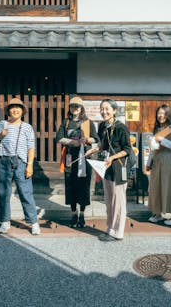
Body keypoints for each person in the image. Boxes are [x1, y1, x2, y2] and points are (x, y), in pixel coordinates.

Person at [0, 98, 40, 235]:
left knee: (26, 192)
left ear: (22, 111)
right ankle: (5, 222)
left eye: (18, 107)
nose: (15, 110)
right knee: (3, 193)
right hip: (4, 162)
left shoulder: (27, 127)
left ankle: (33, 222)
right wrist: (0, 134)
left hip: (21, 162)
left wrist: (30, 165)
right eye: (12, 107)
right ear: (8, 111)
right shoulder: (2, 124)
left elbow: (31, 147)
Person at [85, 99, 133, 242]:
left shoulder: (121, 127)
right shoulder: (102, 126)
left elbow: (127, 150)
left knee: (118, 201)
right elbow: (103, 145)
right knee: (109, 200)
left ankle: (118, 232)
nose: (103, 112)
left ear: (114, 111)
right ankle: (110, 229)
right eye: (102, 109)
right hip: (107, 167)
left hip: (118, 167)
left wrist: (112, 158)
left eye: (107, 109)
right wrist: (94, 149)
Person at [55, 96, 98, 228]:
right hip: (70, 157)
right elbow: (59, 138)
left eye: (77, 106)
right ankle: (74, 214)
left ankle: (82, 215)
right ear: (70, 108)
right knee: (71, 186)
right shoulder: (66, 122)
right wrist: (71, 142)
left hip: (85, 157)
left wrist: (87, 140)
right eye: (73, 106)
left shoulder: (88, 122)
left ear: (81, 108)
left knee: (84, 186)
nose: (75, 108)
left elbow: (96, 139)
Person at [145, 105, 171, 226]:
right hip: (157, 160)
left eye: (163, 113)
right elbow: (153, 149)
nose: (160, 116)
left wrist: (161, 139)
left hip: (168, 159)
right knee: (156, 186)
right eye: (158, 113)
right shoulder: (157, 129)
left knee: (169, 186)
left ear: (167, 115)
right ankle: (157, 213)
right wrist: (148, 162)